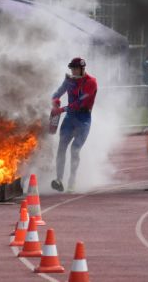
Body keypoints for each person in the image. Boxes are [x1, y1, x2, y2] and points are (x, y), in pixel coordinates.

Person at [50, 57, 98, 193]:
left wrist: (62, 109)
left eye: (75, 69)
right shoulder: (69, 80)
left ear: (82, 69)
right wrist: (55, 100)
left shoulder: (91, 83)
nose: (73, 71)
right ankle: (59, 180)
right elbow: (57, 93)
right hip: (70, 119)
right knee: (61, 148)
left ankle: (72, 180)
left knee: (75, 149)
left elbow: (80, 103)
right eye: (72, 69)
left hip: (83, 119)